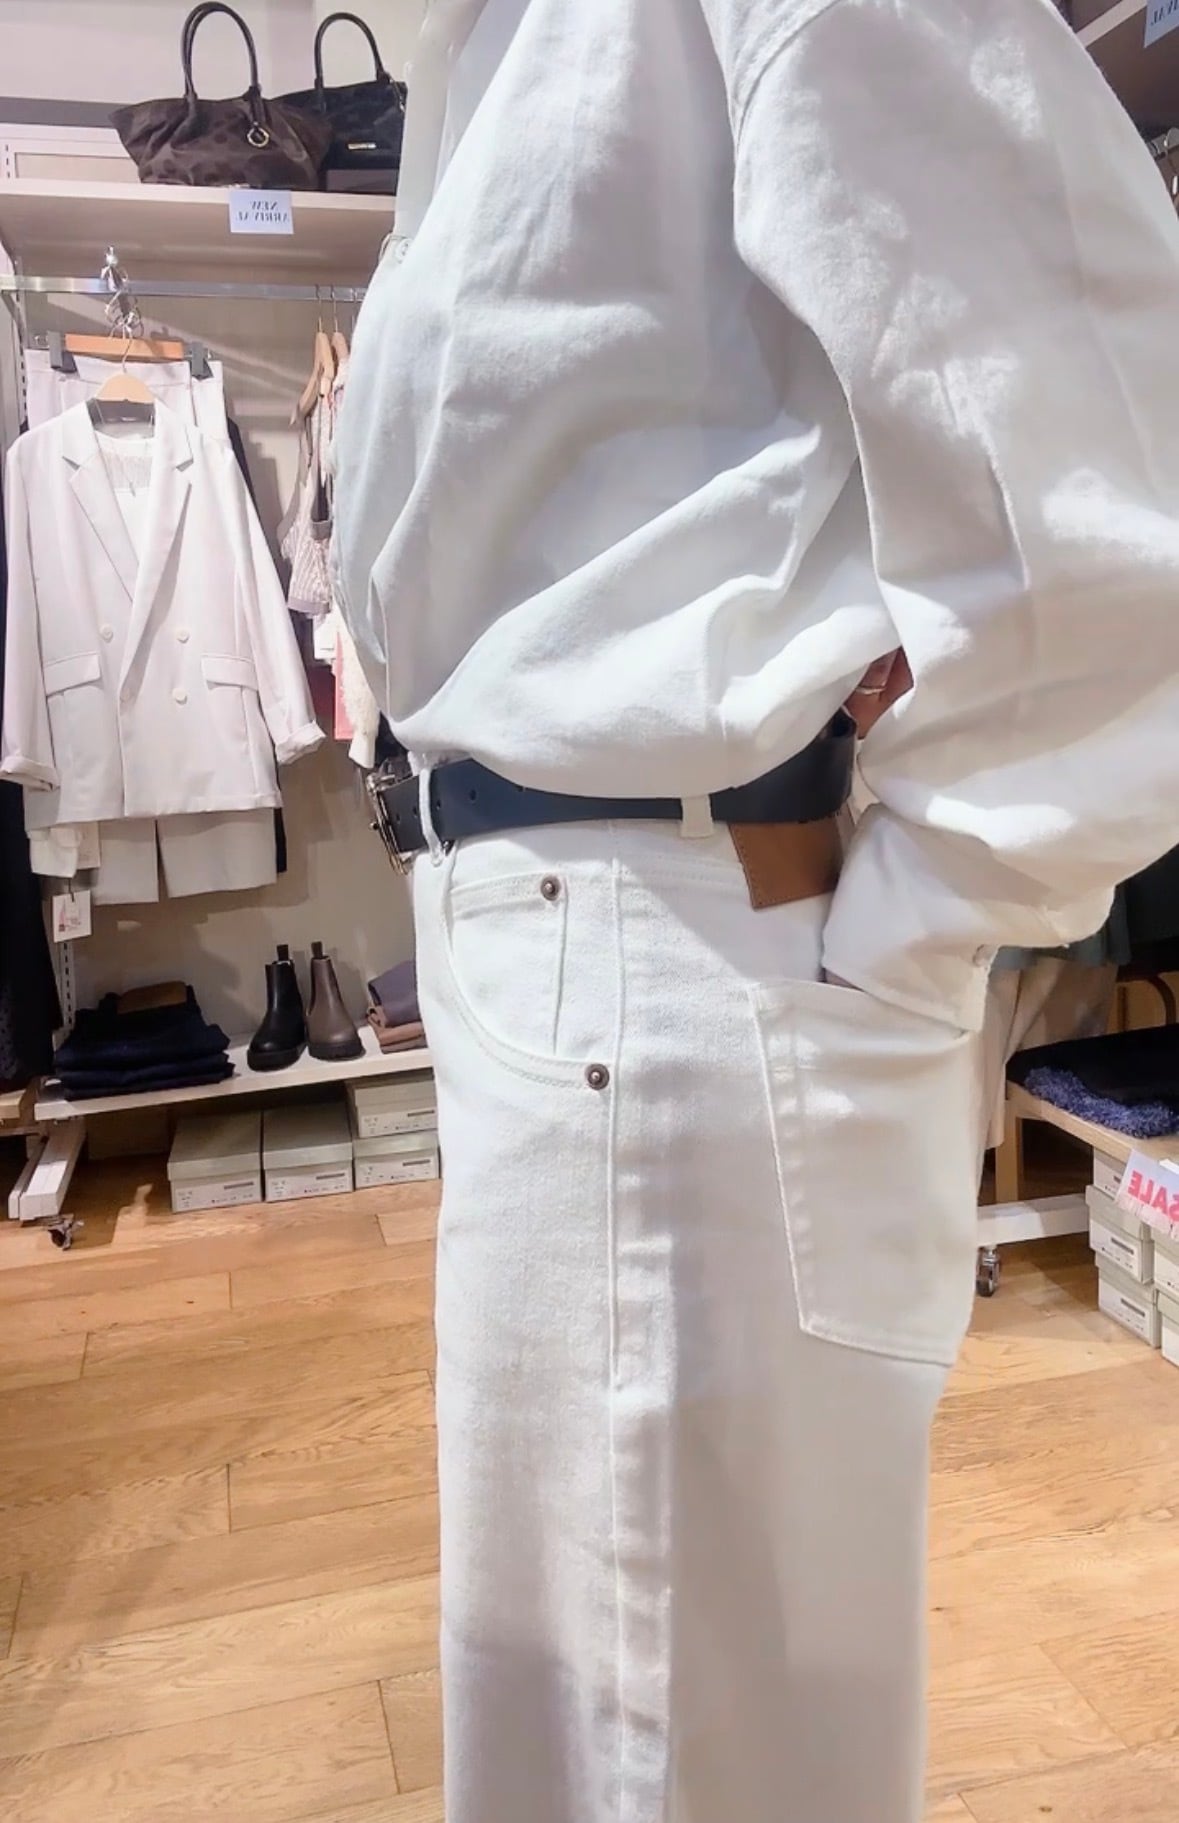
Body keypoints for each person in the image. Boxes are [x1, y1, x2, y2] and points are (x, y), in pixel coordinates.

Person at [333, 3, 1179, 1818]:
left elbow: (1109, 503)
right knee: (584, 1707)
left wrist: (911, 932)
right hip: (566, 963)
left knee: (689, 1742)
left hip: (690, 960)